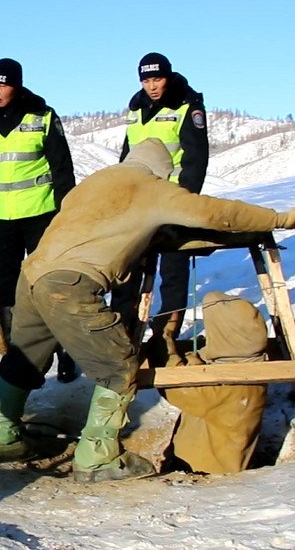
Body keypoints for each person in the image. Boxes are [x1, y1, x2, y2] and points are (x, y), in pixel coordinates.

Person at [0, 137, 295, 484]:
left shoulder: (97, 182)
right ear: (163, 173)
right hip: (69, 283)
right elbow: (218, 214)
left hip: (32, 274)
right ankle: (98, 457)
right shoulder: (152, 188)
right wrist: (281, 217)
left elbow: (117, 228)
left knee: (26, 356)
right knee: (118, 364)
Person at [0, 58, 78, 382]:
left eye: (2, 84)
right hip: (0, 219)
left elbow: (61, 167)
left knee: (50, 284)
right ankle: (16, 356)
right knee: (6, 287)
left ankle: (66, 352)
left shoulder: (42, 116)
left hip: (41, 214)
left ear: (17, 85)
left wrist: (69, 211)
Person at [115, 52, 210, 365]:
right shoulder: (136, 107)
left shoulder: (187, 105)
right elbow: (128, 154)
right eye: (146, 80)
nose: (152, 86)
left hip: (171, 201)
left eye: (157, 78)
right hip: (139, 202)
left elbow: (196, 160)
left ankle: (165, 334)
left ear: (168, 77)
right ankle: (124, 333)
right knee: (128, 267)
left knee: (172, 269)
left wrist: (181, 201)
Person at [160, 291, 269, 475]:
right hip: (204, 467)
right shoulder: (248, 363)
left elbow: (174, 388)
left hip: (209, 476)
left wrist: (167, 340)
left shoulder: (234, 386)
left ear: (227, 334)